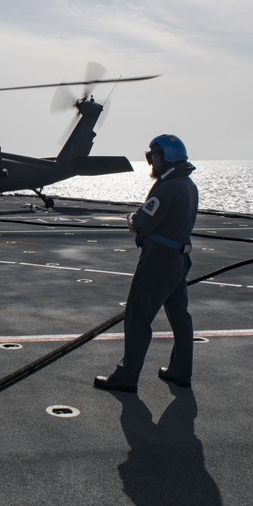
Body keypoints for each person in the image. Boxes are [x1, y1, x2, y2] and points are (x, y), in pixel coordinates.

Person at [94, 134, 199, 393]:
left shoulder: (168, 188)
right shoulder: (188, 184)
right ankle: (180, 371)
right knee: (180, 317)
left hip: (158, 262)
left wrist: (131, 218)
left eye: (154, 157)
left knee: (138, 317)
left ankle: (126, 376)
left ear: (166, 158)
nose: (151, 162)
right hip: (179, 259)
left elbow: (141, 223)